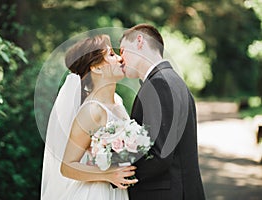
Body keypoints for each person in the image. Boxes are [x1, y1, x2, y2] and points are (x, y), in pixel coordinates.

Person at [40, 34, 137, 200]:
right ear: (96, 68)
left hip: (117, 190)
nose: (121, 58)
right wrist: (108, 175)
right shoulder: (92, 111)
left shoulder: (117, 102)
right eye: (112, 55)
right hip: (97, 193)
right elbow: (67, 166)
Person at [119, 24, 206, 199]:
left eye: (122, 51)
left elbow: (159, 154)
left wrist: (124, 173)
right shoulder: (171, 79)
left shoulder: (159, 84)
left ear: (139, 41)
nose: (121, 59)